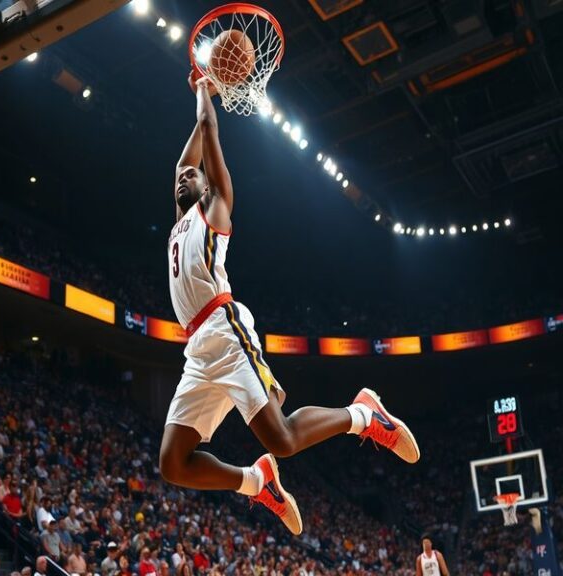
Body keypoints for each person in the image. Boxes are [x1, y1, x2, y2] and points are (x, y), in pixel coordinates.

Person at [158, 72, 420, 535]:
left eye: (193, 175)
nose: (184, 176)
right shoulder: (181, 217)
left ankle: (363, 415)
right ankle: (255, 482)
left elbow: (210, 131)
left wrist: (204, 88)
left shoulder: (215, 209)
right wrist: (194, 134)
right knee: (173, 464)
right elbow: (185, 157)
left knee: (282, 438)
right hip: (197, 348)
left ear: (207, 186)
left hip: (224, 329)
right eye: (182, 175)